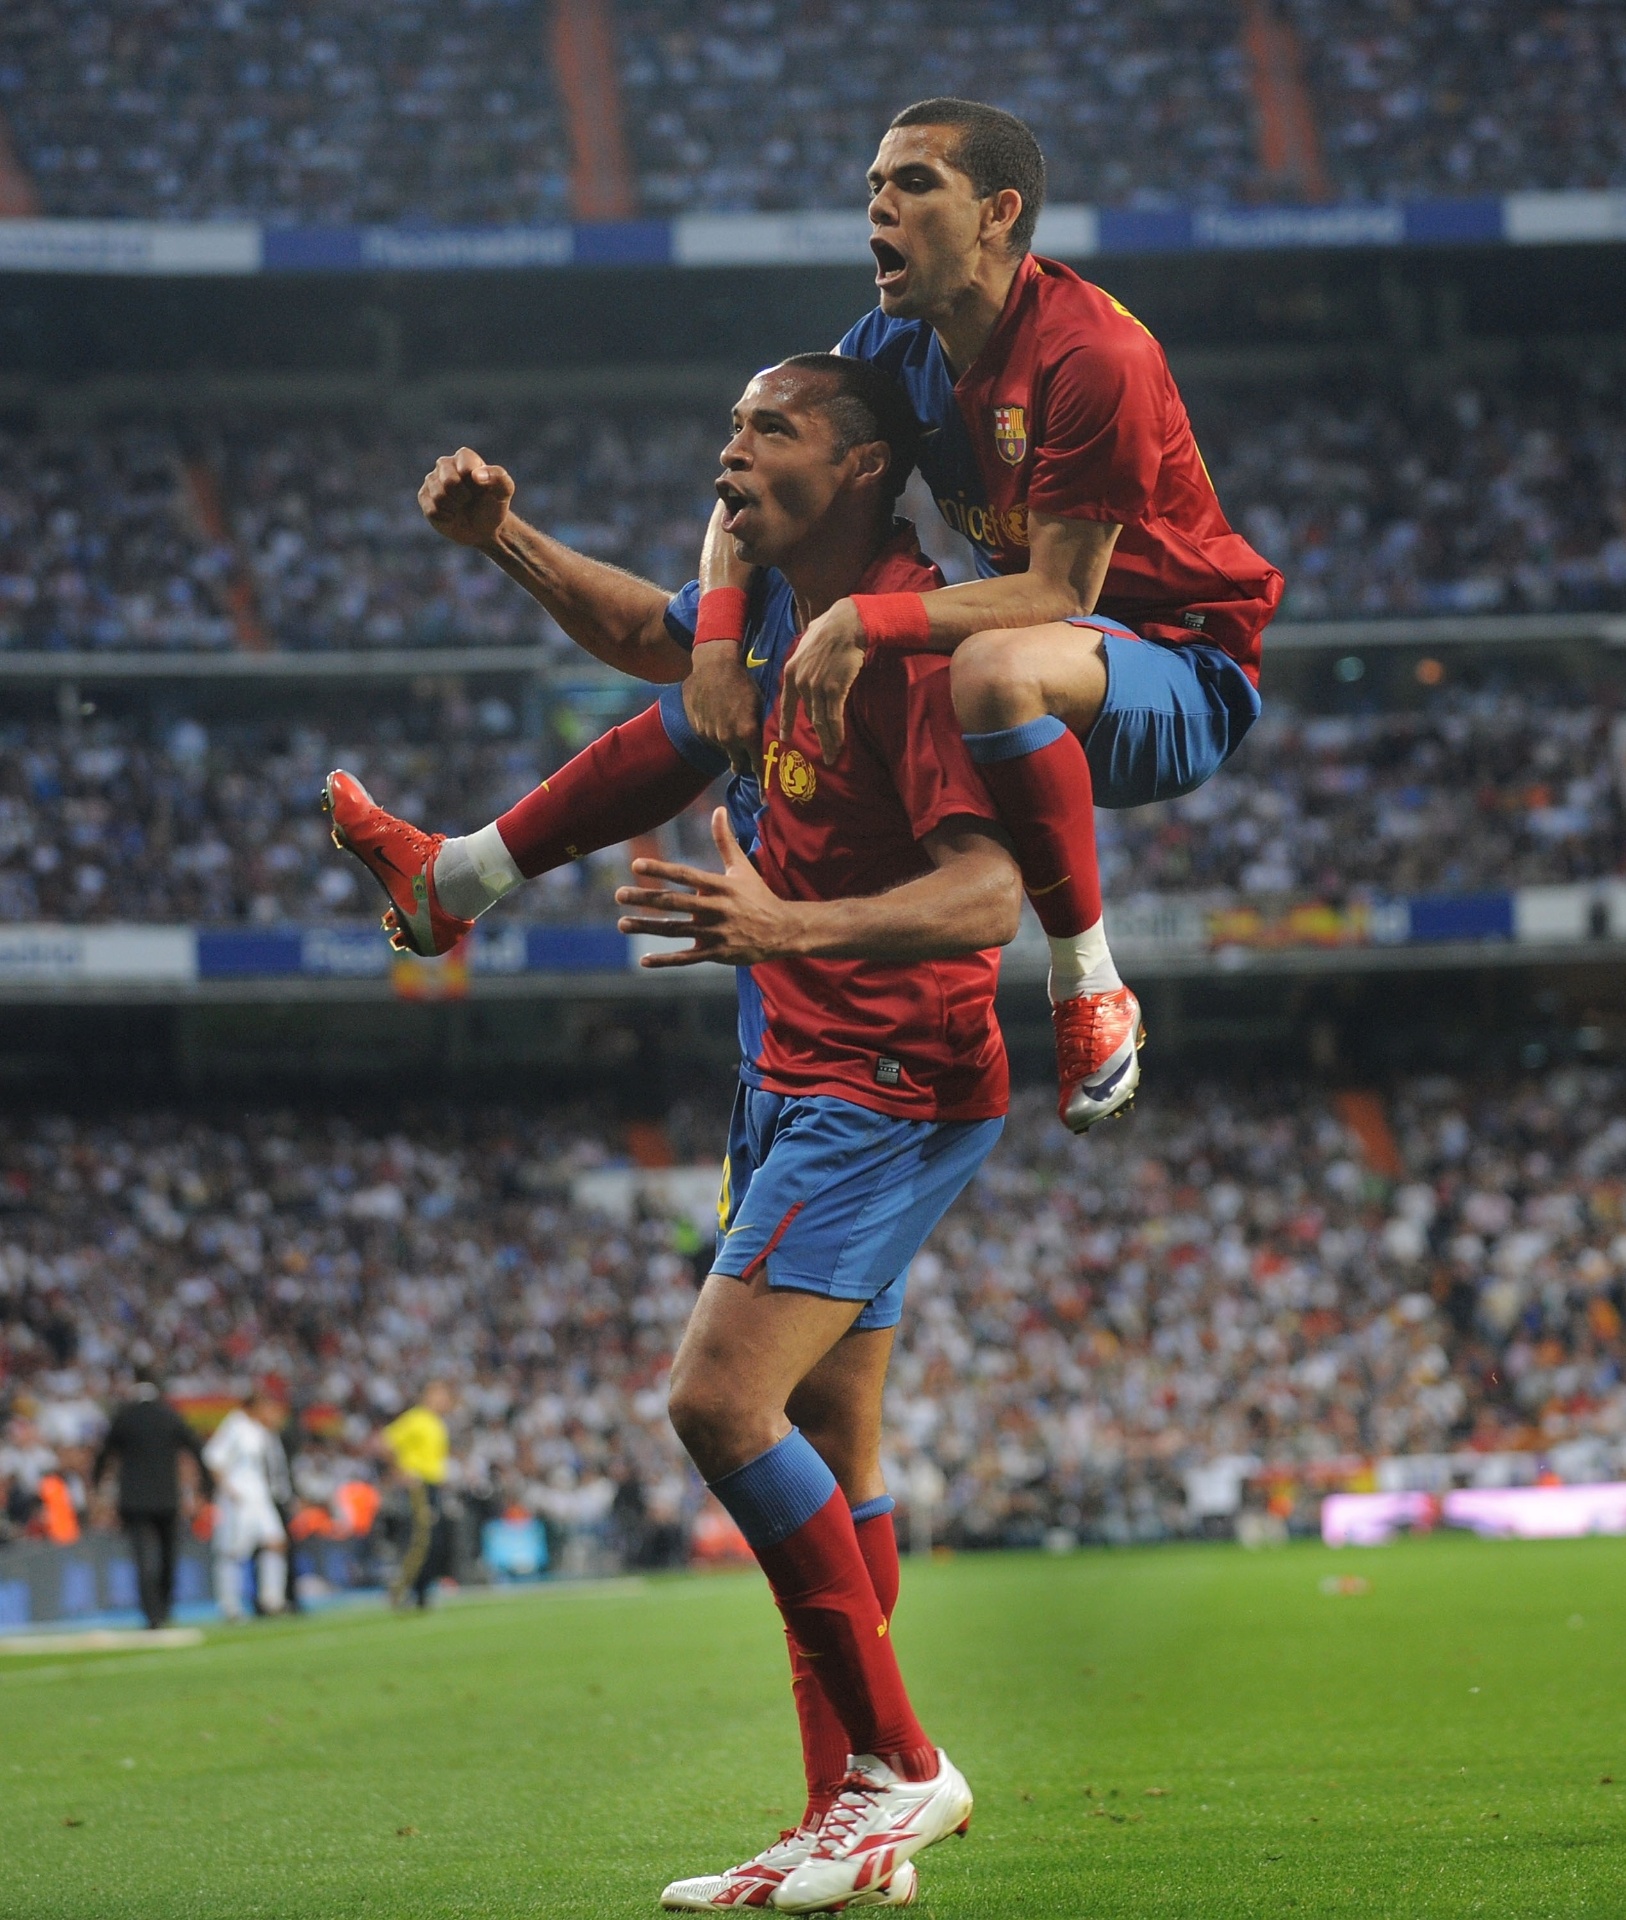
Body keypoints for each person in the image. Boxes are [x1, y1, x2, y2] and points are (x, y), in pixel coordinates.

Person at [326, 354, 1023, 1910]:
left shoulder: (914, 657)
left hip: (883, 1080)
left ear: (855, 472)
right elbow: (650, 638)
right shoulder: (772, 605)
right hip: (794, 1068)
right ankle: (850, 1832)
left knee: (717, 1406)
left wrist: (786, 923)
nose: (729, 450)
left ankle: (900, 1771)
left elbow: (996, 896)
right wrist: (505, 540)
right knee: (832, 1466)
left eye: (765, 428)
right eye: (727, 424)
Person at [681, 98, 1283, 1136]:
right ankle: (476, 868)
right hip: (1052, 654)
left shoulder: (1095, 355)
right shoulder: (891, 342)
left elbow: (1061, 594)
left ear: (998, 213)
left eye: (914, 183)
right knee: (768, 599)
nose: (878, 205)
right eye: (874, 185)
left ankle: (1086, 980)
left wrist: (867, 620)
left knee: (989, 668)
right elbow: (762, 481)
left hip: (1180, 665)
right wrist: (714, 651)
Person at [92, 1369, 214, 1630]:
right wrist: (206, 1486)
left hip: (133, 1501)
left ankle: (152, 1614)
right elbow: (196, 1448)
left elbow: (104, 1455)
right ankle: (166, 1606)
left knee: (142, 1557)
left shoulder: (124, 1416)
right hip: (167, 1498)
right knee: (169, 1555)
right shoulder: (169, 1415)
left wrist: (96, 1484)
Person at [203, 1389, 291, 1623]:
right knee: (233, 1552)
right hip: (239, 1498)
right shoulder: (235, 1425)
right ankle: (230, 1606)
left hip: (261, 1496)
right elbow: (213, 1456)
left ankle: (273, 1600)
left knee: (275, 1543)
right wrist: (228, 1489)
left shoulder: (262, 1431)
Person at [379, 1380, 455, 1609]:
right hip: (419, 1486)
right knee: (419, 1539)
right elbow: (385, 1442)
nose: (445, 1400)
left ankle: (422, 1591)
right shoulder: (416, 1419)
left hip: (432, 1485)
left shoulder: (436, 1423)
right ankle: (401, 1589)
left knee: (433, 1540)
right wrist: (400, 1472)